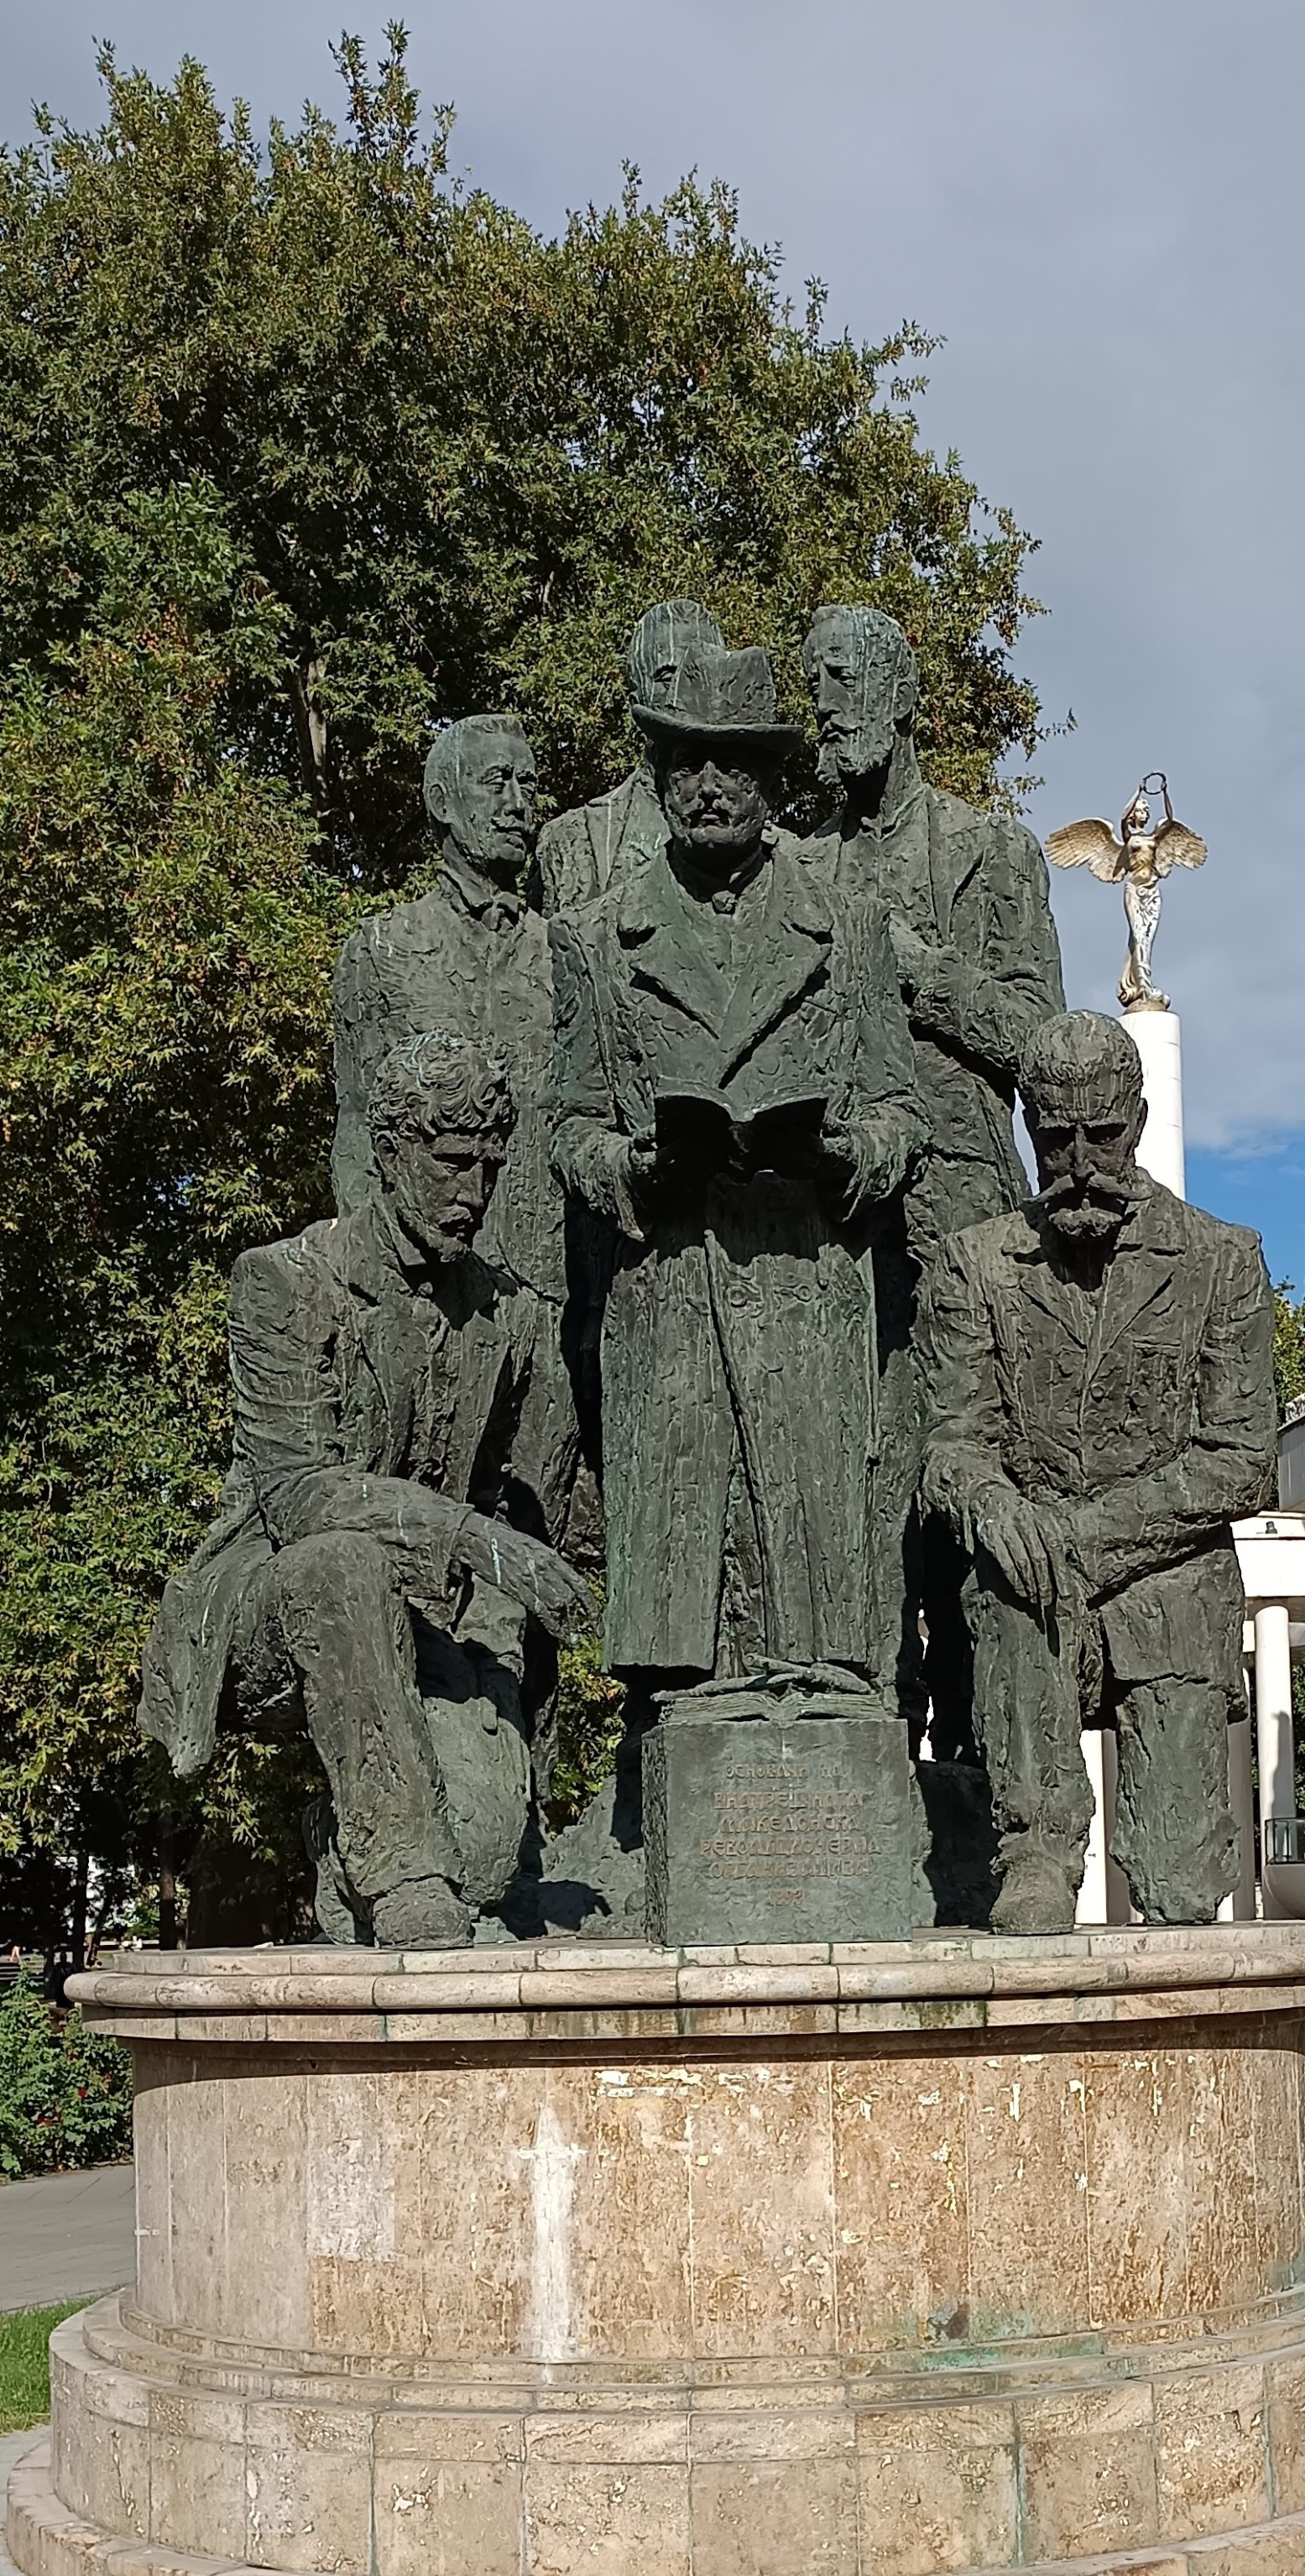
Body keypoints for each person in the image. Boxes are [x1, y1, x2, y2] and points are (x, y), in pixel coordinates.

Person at [550, 642, 925, 1834]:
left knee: (811, 1591)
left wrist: (848, 1156)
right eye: (682, 760)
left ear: (773, 782)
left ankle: (816, 1748)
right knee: (687, 1611)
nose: (706, 782)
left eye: (733, 762)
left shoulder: (846, 918)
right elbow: (566, 1122)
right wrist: (633, 1163)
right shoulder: (602, 936)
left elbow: (899, 1107)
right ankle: (672, 1796)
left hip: (810, 1277)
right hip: (670, 1282)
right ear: (658, 773)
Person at [139, 1036, 594, 1949]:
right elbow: (299, 1490)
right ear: (389, 1153)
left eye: (491, 1167)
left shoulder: (511, 1316)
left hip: (428, 1621)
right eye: (451, 1163)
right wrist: (472, 1537)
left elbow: (539, 1511)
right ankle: (401, 1877)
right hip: (276, 1601)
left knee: (490, 1859)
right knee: (342, 1563)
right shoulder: (284, 1280)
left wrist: (511, 1607)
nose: (473, 1190)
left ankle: (358, 1846)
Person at [919, 1010, 1276, 1931]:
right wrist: (989, 1500)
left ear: (1140, 1120)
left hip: (1169, 1590)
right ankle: (1033, 1843)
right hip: (1031, 1604)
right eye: (1054, 1138)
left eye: (1102, 1135)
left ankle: (1174, 1845)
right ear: (1027, 1131)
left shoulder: (1220, 1258)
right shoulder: (976, 1264)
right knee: (1006, 1573)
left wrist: (1075, 1538)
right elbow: (952, 1439)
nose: (1079, 1160)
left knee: (1180, 1890)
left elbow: (1240, 1459)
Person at [801, 603, 1065, 1745]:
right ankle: (860, 1741)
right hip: (828, 1226)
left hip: (962, 1216)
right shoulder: (793, 866)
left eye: (847, 679)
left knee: (962, 1498)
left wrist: (917, 973)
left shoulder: (988, 852)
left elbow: (1046, 1048)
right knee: (851, 1498)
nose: (826, 705)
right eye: (815, 683)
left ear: (903, 695)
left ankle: (976, 1764)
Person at [332, 715, 578, 1548]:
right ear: (442, 799)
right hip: (419, 1297)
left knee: (531, 1525)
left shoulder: (566, 957)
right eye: (495, 783)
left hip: (540, 1292)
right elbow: (355, 1129)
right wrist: (366, 1291)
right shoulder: (380, 949)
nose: (519, 803)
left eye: (527, 784)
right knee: (407, 1527)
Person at [537, 600, 728, 915]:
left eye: (698, 672)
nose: (682, 690)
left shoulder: (772, 850)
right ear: (636, 701)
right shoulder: (575, 840)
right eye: (667, 676)